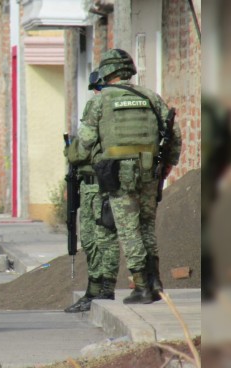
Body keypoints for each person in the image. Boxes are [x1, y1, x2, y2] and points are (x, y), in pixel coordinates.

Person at [77, 49, 181, 305]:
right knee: (147, 226)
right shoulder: (151, 97)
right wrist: (166, 168)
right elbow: (174, 135)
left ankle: (142, 287)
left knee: (127, 229)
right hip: (149, 170)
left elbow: (86, 141)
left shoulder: (100, 100)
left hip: (118, 174)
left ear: (106, 72)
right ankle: (155, 282)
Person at [64, 71, 120, 313]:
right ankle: (93, 288)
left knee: (105, 238)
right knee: (88, 239)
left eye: (98, 88)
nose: (97, 93)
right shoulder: (95, 109)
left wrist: (71, 152)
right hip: (87, 184)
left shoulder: (110, 112)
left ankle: (106, 288)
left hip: (104, 182)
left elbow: (80, 151)